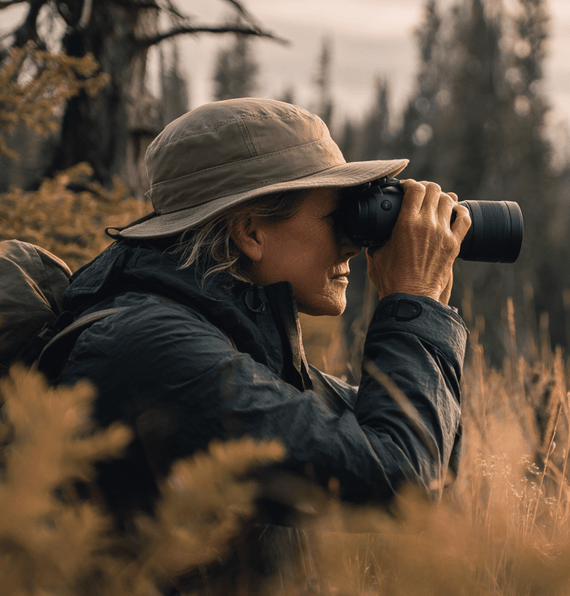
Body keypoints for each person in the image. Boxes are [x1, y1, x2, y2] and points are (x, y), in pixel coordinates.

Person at [55, 98, 471, 589]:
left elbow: (432, 452)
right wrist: (412, 301)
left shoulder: (235, 342)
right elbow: (402, 479)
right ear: (251, 231)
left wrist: (426, 299)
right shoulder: (156, 349)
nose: (355, 243)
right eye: (339, 217)